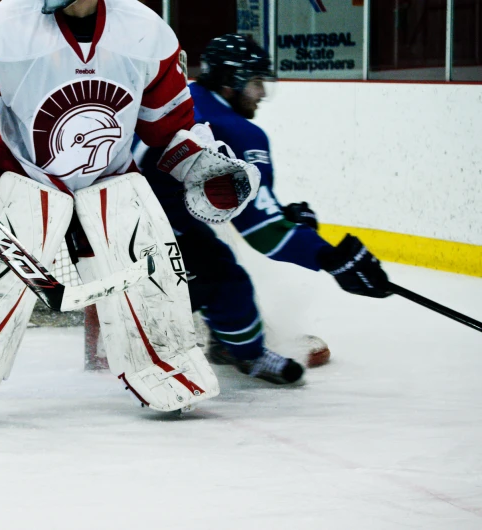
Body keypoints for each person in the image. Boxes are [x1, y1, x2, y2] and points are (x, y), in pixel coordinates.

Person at [0, 0, 262, 419]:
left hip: (110, 182)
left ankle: (166, 367)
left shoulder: (144, 31)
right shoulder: (6, 26)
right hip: (23, 182)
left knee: (141, 248)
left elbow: (168, 126)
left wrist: (200, 165)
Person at [136, 34, 392, 385]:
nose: (260, 94)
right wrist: (333, 259)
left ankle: (223, 339)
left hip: (124, 218)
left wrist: (283, 217)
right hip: (150, 236)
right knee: (225, 279)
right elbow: (261, 229)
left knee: (211, 256)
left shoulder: (186, 98)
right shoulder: (236, 130)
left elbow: (233, 203)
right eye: (256, 83)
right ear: (230, 83)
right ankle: (239, 353)